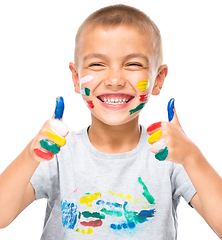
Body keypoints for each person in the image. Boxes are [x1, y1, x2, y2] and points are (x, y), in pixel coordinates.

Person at [0, 4, 222, 240]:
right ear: (76, 79)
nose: (115, 80)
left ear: (158, 79)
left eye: (133, 64)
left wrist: (192, 157)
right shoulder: (59, 153)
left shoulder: (169, 155)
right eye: (97, 64)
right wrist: (30, 155)